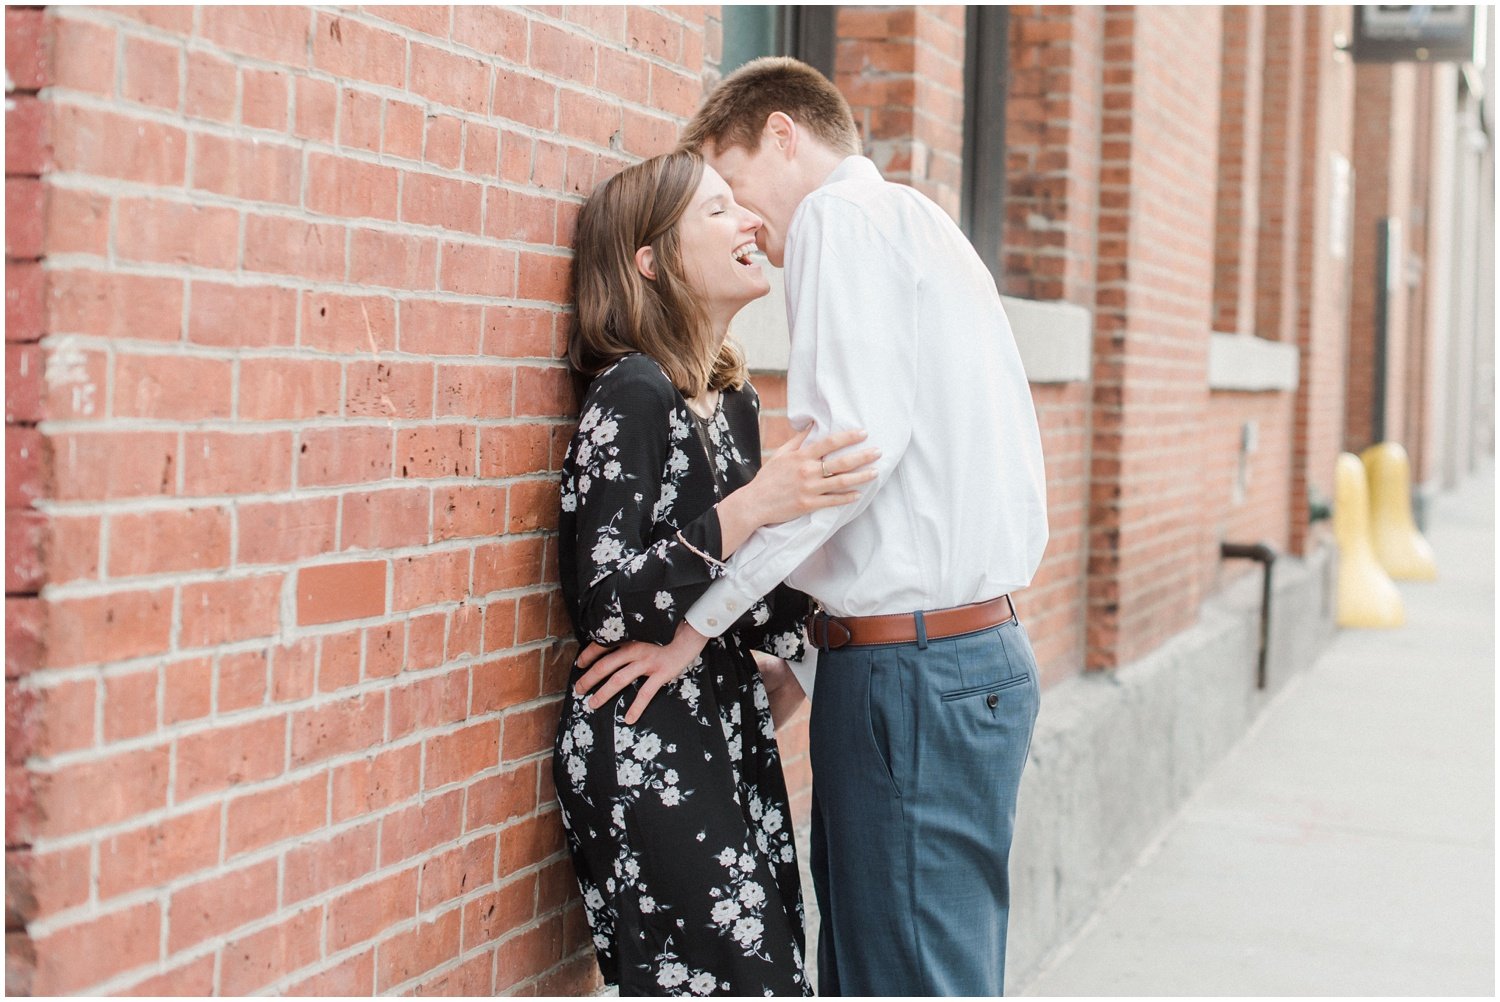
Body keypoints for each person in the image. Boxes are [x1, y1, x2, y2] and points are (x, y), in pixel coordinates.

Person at [574, 58, 1049, 996]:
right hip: (953, 659)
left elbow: (838, 470)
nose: (748, 218)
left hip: (913, 674)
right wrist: (802, 661)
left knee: (901, 980)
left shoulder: (841, 217)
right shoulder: (922, 228)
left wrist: (697, 628)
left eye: (734, 183)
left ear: (782, 135)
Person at [554, 149, 879, 996]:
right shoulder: (631, 391)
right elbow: (605, 598)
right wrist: (756, 504)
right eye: (717, 210)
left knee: (774, 974)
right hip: (645, 732)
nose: (750, 222)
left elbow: (747, 588)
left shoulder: (734, 399)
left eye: (741, 204)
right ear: (651, 262)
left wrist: (799, 664)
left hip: (728, 723)